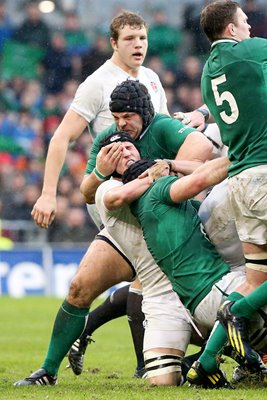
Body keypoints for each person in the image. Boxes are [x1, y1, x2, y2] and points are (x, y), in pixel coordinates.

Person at [14, 79, 212, 386]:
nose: (121, 124)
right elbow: (87, 192)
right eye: (117, 117)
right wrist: (101, 172)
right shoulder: (109, 138)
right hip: (126, 229)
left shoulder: (161, 126)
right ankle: (48, 370)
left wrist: (170, 165)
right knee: (80, 288)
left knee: (188, 303)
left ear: (144, 112)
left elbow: (202, 149)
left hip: (169, 229)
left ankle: (205, 360)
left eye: (128, 117)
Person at [31, 10, 170, 379]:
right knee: (144, 277)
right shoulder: (98, 84)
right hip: (113, 198)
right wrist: (48, 194)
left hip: (152, 196)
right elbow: (61, 137)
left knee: (137, 280)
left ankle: (140, 362)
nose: (138, 45)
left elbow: (164, 132)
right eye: (129, 39)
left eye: (142, 38)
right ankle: (142, 365)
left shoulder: (153, 79)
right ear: (113, 42)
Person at [184, 0, 267, 385]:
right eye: (245, 22)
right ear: (231, 30)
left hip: (240, 180)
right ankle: (234, 316)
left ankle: (207, 361)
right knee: (253, 289)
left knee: (254, 282)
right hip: (265, 176)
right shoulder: (246, 52)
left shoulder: (207, 74)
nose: (250, 27)